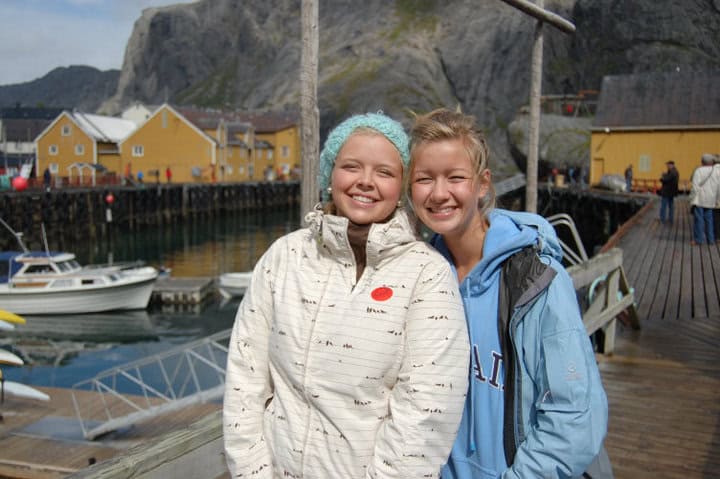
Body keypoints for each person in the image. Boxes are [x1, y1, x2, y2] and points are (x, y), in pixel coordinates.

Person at [223, 112, 470, 478]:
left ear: (401, 185)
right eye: (351, 166)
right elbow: (245, 379)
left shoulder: (425, 275)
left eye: (384, 172)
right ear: (329, 174)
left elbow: (425, 414)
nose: (365, 182)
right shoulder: (285, 257)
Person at [407, 108, 609, 479]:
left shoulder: (535, 279)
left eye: (455, 177)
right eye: (424, 179)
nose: (439, 193)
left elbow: (575, 415)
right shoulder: (418, 277)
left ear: (483, 184)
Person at [690, 153, 719, 245]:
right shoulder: (717, 171)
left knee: (699, 220)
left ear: (702, 161)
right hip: (711, 199)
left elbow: (695, 187)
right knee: (709, 220)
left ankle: (698, 239)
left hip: (700, 200)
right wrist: (717, 199)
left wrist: (692, 199)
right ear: (712, 162)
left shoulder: (699, 171)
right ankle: (711, 239)